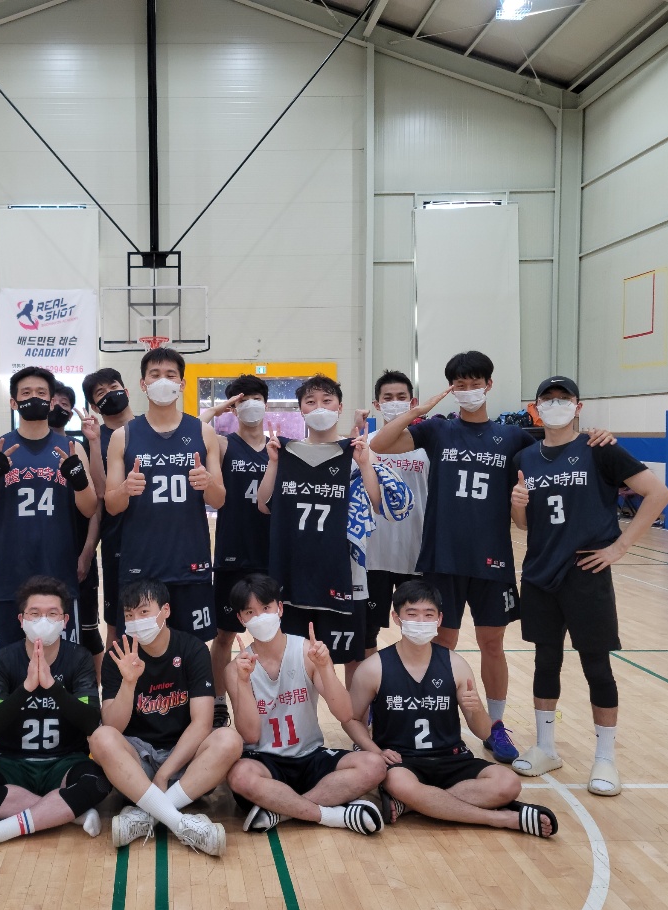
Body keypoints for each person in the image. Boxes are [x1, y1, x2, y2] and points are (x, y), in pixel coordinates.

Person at [369, 351, 615, 763]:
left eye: (475, 383)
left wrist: (595, 435)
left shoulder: (513, 438)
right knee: (442, 643)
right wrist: (420, 410)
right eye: (460, 385)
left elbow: (556, 449)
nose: (469, 391)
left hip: (492, 558)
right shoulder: (438, 430)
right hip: (442, 557)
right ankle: (445, 722)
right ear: (452, 389)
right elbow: (380, 443)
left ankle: (495, 726)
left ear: (489, 385)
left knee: (492, 644)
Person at [510, 376, 668, 797]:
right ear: (535, 408)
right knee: (545, 662)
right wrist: (517, 507)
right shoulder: (525, 456)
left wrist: (619, 547)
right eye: (548, 399)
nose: (556, 404)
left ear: (578, 406)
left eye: (564, 398)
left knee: (596, 666)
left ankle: (605, 758)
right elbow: (524, 525)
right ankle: (546, 747)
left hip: (587, 572)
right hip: (540, 571)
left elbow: (658, 494)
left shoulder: (600, 448)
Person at [348, 581, 558, 838]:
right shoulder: (373, 668)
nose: (420, 621)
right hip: (402, 761)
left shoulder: (456, 665)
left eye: (428, 614)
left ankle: (411, 806)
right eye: (412, 614)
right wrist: (375, 751)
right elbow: (352, 719)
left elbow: (484, 732)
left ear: (439, 619)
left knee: (509, 782)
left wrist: (476, 708)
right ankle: (501, 819)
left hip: (452, 757)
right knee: (399, 783)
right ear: (396, 617)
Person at [259, 374, 412, 685]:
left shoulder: (356, 453)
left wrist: (365, 463)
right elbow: (264, 505)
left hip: (346, 575)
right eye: (310, 402)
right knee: (296, 660)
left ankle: (354, 714)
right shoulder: (287, 454)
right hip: (295, 575)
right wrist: (273, 463)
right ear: (301, 410)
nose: (319, 407)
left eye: (327, 401)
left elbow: (380, 504)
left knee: (353, 658)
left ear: (339, 407)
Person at [0, 577, 110, 863]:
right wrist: (25, 688)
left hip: (65, 761)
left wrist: (52, 687)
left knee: (99, 784)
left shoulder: (79, 658)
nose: (43, 621)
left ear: (65, 621)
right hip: (11, 762)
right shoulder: (4, 660)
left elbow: (91, 722)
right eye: (35, 613)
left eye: (52, 614)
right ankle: (66, 812)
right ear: (21, 619)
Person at [225, 574, 386, 835]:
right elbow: (251, 735)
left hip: (310, 755)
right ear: (241, 619)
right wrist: (243, 683)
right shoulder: (236, 669)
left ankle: (281, 811)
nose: (260, 617)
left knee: (374, 766)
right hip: (265, 761)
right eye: (250, 612)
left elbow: (345, 713)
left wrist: (325, 668)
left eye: (265, 608)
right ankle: (332, 815)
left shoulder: (307, 652)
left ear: (280, 608)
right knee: (239, 776)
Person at [88, 579, 238, 854]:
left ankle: (147, 814)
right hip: (137, 764)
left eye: (144, 612)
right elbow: (112, 726)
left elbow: (202, 723)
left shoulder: (192, 649)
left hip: (185, 760)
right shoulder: (117, 655)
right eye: (129, 615)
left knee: (229, 740)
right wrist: (129, 683)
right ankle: (179, 822)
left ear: (165, 610)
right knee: (100, 738)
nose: (136, 621)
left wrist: (165, 773)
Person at [0, 367, 98, 650]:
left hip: (59, 574)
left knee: (62, 664)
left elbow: (89, 509)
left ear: (50, 402)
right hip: (10, 574)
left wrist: (78, 480)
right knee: (9, 665)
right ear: (13, 402)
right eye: (26, 393)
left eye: (41, 393)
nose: (33, 398)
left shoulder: (71, 448)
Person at [104, 348, 226, 645]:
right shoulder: (123, 436)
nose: (163, 381)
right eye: (155, 374)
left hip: (190, 563)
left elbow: (219, 500)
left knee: (193, 649)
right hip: (141, 565)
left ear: (182, 384)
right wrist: (125, 489)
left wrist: (208, 482)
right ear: (143, 384)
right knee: (139, 650)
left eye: (171, 375)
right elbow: (111, 505)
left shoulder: (203, 432)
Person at [200, 374, 272, 728]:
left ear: (266, 403)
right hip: (232, 552)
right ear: (233, 407)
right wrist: (218, 409)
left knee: (271, 633)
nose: (250, 405)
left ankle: (269, 701)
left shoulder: (280, 448)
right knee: (224, 635)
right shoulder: (225, 445)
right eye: (242, 400)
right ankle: (217, 702)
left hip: (271, 555)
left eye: (255, 398)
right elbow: (194, 429)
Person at [364, 371, 429, 650]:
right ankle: (369, 679)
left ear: (413, 402)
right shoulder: (365, 445)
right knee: (367, 633)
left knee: (418, 631)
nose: (394, 402)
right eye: (387, 398)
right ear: (377, 404)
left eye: (401, 397)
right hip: (372, 555)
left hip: (416, 555)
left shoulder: (426, 446)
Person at [81, 367, 136, 648]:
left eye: (113, 387)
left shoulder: (150, 429)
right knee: (116, 625)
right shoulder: (93, 439)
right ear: (94, 406)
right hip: (117, 539)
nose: (109, 395)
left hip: (157, 537)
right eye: (100, 393)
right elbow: (99, 496)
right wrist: (89, 548)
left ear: (126, 391)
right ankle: (116, 679)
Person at [52, 383, 105, 669]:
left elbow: (96, 506)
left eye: (65, 404)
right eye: (53, 401)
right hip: (43, 558)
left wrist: (86, 553)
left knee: (89, 635)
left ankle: (92, 694)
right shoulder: (18, 450)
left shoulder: (80, 449)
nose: (57, 407)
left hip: (78, 557)